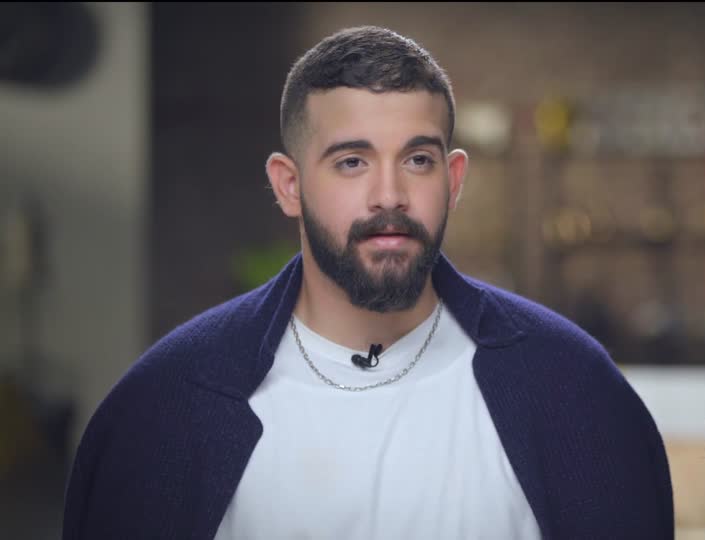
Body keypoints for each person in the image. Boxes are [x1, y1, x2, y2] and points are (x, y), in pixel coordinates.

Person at [62, 26, 673, 540]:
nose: (389, 196)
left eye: (418, 160)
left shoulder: (573, 390)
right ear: (289, 185)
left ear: (454, 180)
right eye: (352, 161)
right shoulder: (165, 408)